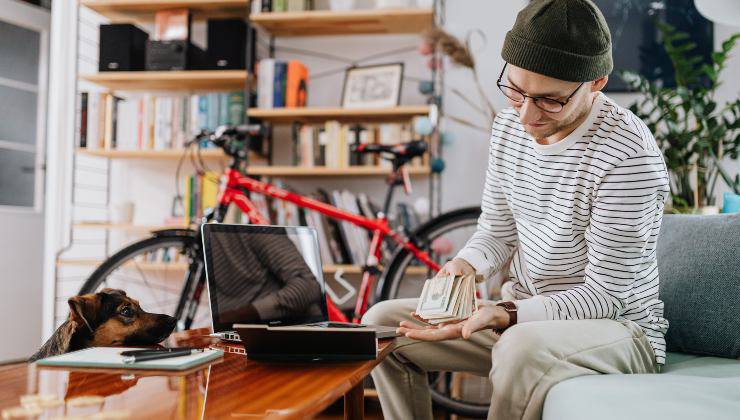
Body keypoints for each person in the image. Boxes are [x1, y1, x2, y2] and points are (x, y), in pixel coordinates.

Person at [362, 1, 670, 419]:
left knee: (518, 346)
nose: (526, 114)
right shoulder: (510, 126)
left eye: (550, 100)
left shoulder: (629, 155)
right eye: (516, 90)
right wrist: (466, 265)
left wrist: (506, 314)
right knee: (381, 326)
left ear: (596, 81)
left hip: (619, 331)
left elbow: (606, 296)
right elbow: (497, 230)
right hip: (524, 317)